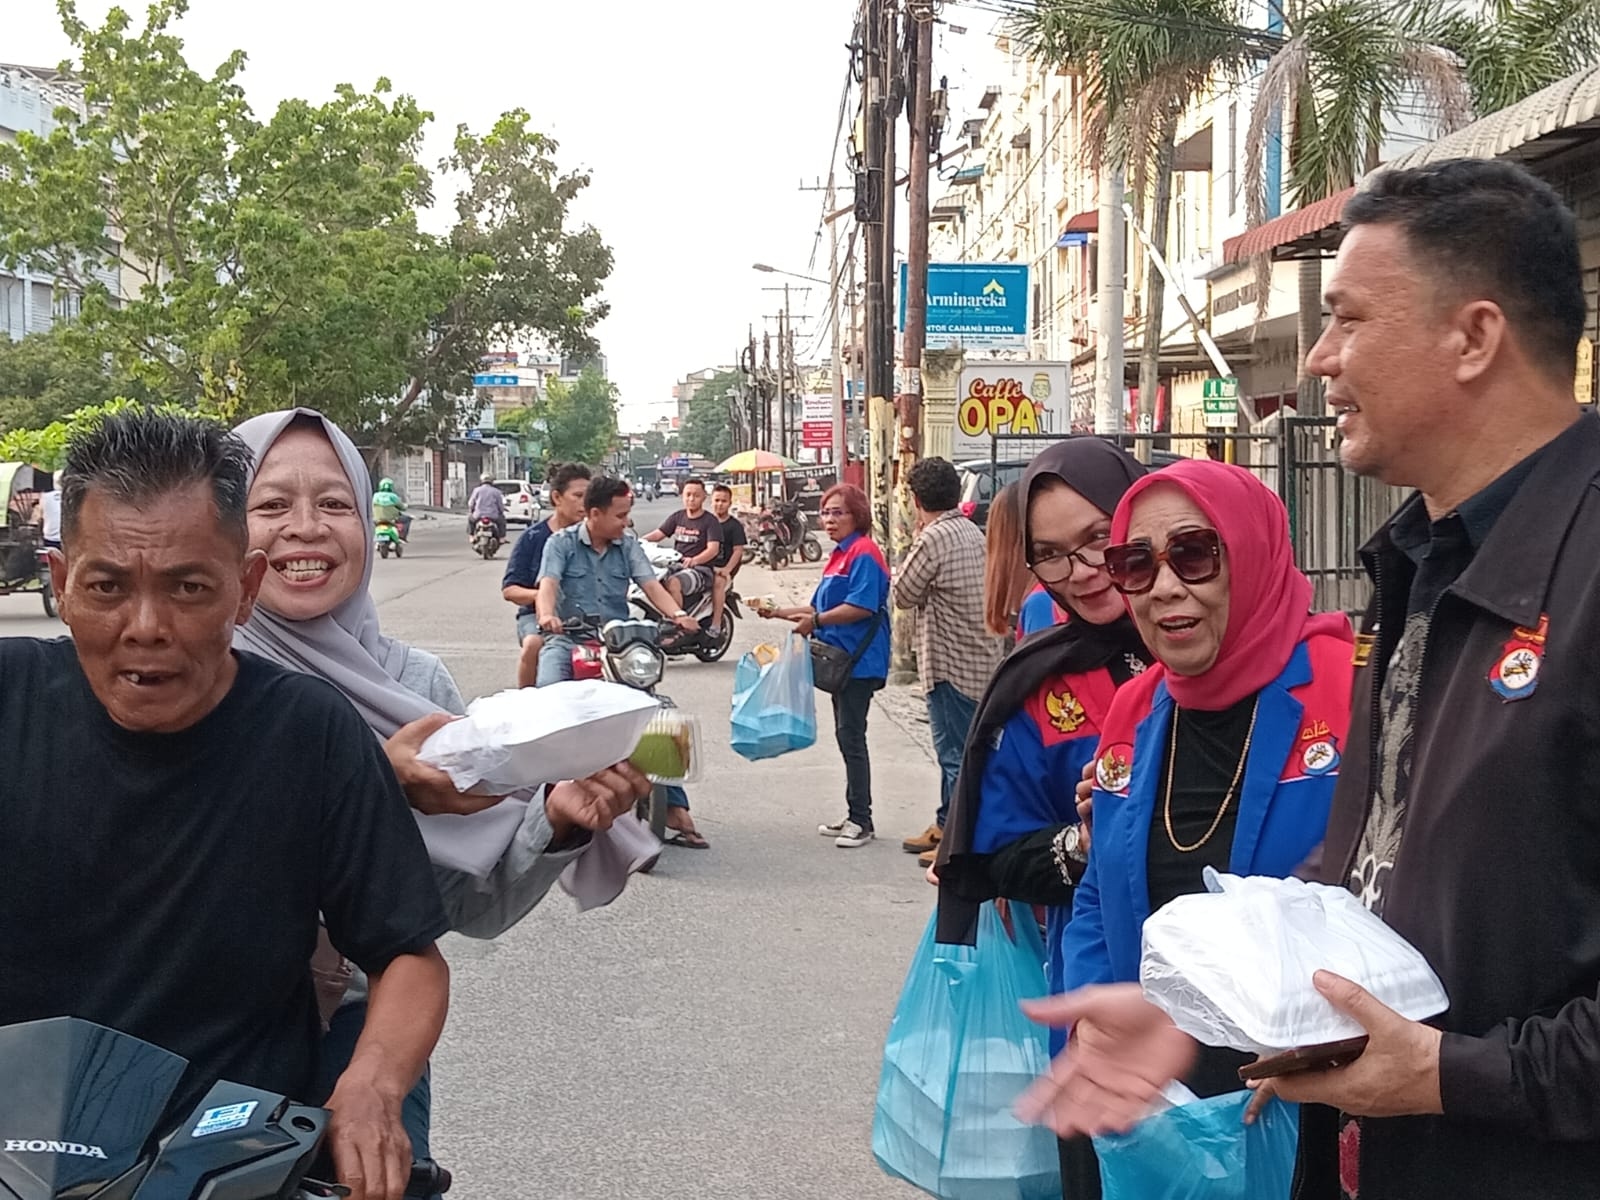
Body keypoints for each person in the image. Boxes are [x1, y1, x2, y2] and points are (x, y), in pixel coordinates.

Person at [1019, 159, 1600, 1200]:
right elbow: (1372, 888)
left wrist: (1452, 1075)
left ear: (1473, 337)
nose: (1320, 358)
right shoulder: (1416, 569)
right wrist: (1199, 1016)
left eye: (1347, 320)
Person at [0, 410, 449, 1200]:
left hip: (226, 1160)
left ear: (244, 589)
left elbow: (408, 954)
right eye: (107, 587)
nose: (146, 628)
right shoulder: (9, 700)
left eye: (188, 588)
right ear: (61, 583)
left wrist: (372, 1085)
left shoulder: (310, 733)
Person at [233, 411, 649, 1171]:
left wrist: (554, 821)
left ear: (367, 521)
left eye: (334, 503)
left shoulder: (414, 686)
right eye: (271, 505)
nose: (306, 528)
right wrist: (372, 782)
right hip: (200, 1029)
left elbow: (463, 907)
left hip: (365, 1035)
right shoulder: (187, 666)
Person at [1055, 459, 1353, 1195]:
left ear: (1249, 554)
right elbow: (1097, 888)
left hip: (1320, 1096)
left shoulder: (1348, 688)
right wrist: (1091, 1021)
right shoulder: (1134, 708)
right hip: (1161, 1097)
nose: (1163, 587)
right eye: (1136, 564)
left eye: (1193, 554)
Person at [932, 439, 1152, 1197]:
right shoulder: (1039, 682)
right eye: (1051, 556)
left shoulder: (1258, 659)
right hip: (1099, 990)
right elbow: (991, 855)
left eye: (1100, 539)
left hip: (1252, 1009)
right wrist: (1083, 843)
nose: (1083, 571)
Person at [535, 476, 706, 848]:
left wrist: (678, 614)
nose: (626, 522)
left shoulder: (627, 544)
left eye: (628, 515)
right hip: (568, 639)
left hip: (618, 643)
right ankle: (540, 798)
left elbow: (650, 584)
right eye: (620, 515)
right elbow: (548, 585)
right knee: (547, 704)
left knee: (658, 716)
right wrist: (547, 616)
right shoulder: (560, 543)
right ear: (594, 514)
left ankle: (674, 807)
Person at [892, 457, 1003, 867]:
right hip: (981, 659)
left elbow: (903, 593)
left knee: (955, 757)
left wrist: (914, 543)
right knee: (961, 753)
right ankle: (945, 823)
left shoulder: (933, 538)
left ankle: (958, 844)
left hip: (950, 664)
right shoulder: (972, 531)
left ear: (916, 500)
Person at [765, 484, 890, 848]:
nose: (830, 520)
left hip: (859, 661)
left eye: (838, 513)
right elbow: (817, 607)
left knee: (852, 737)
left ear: (857, 516)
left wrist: (815, 622)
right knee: (846, 736)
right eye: (826, 513)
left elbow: (862, 606)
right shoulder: (839, 555)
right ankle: (854, 814)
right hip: (841, 659)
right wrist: (778, 612)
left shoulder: (864, 552)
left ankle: (861, 820)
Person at [502, 462, 591, 688]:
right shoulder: (533, 537)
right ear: (557, 497)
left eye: (589, 497)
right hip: (536, 617)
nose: (584, 503)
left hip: (587, 615)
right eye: (578, 496)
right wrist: (544, 597)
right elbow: (510, 590)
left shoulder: (597, 537)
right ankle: (529, 699)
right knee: (533, 644)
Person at [644, 476, 724, 637]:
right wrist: (635, 542)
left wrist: (695, 560)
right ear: (682, 495)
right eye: (688, 494)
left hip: (701, 570)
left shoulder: (710, 521)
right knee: (652, 580)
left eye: (696, 495)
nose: (691, 499)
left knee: (673, 582)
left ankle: (677, 626)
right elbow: (658, 534)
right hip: (677, 565)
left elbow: (713, 549)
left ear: (704, 497)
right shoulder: (677, 517)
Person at [708, 482, 747, 590]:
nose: (720, 504)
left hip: (724, 567)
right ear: (711, 502)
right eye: (717, 500)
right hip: (706, 568)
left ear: (730, 503)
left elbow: (738, 551)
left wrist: (727, 569)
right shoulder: (705, 522)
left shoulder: (735, 526)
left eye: (724, 501)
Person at [467, 471, 506, 543]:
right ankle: (501, 538)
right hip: (493, 515)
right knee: (502, 521)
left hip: (478, 515)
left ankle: (471, 536)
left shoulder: (476, 490)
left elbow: (471, 503)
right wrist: (501, 512)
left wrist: (471, 510)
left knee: (470, 520)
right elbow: (500, 505)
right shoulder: (496, 492)